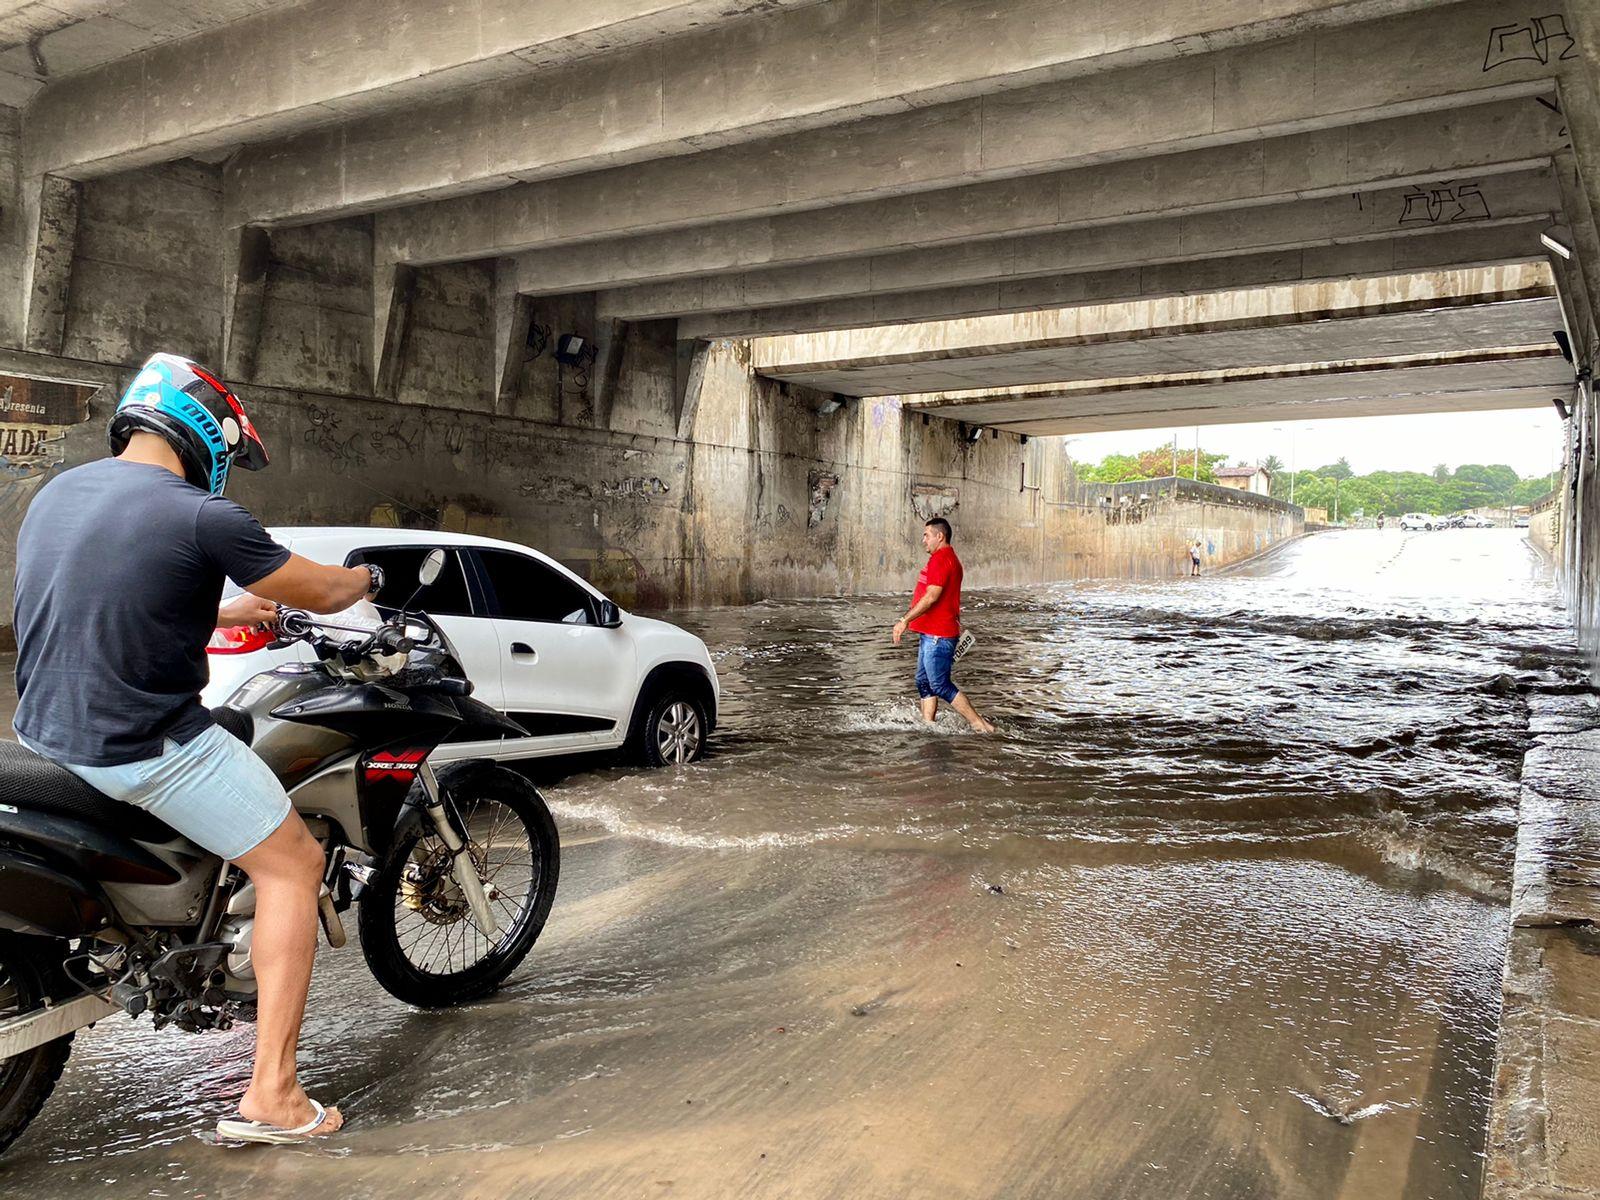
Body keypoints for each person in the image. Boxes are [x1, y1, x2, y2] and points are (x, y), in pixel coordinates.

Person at [12, 353, 380, 1144]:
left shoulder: (58, 493)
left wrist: (237, 611)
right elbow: (320, 590)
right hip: (138, 743)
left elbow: (113, 602)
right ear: (207, 431)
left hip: (44, 728)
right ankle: (274, 1096)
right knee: (292, 863)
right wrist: (363, 579)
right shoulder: (203, 515)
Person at [891, 517, 993, 733]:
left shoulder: (942, 559)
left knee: (939, 685)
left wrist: (904, 620)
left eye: (926, 535)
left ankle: (980, 725)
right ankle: (929, 727)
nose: (923, 540)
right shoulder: (947, 559)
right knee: (924, 682)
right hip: (932, 633)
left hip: (938, 635)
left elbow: (931, 598)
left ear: (940, 536)